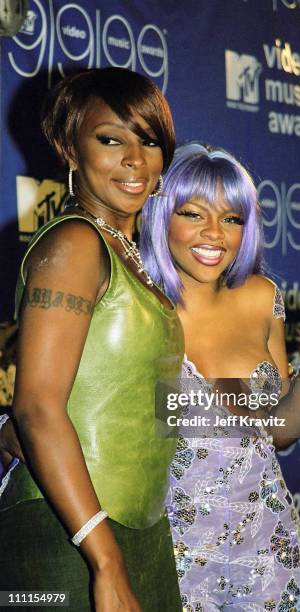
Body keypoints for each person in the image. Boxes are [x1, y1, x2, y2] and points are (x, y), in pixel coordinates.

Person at [139, 143, 300, 611]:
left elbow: (280, 432)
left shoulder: (262, 297)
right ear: (163, 218)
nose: (214, 234)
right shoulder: (137, 305)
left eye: (232, 219)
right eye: (193, 213)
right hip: (172, 553)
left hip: (265, 545)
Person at [0, 68, 184, 612]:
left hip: (137, 532)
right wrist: (104, 560)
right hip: (69, 534)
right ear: (67, 146)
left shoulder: (129, 257)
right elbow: (35, 407)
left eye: (149, 141)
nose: (135, 159)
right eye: (111, 139)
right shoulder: (77, 243)